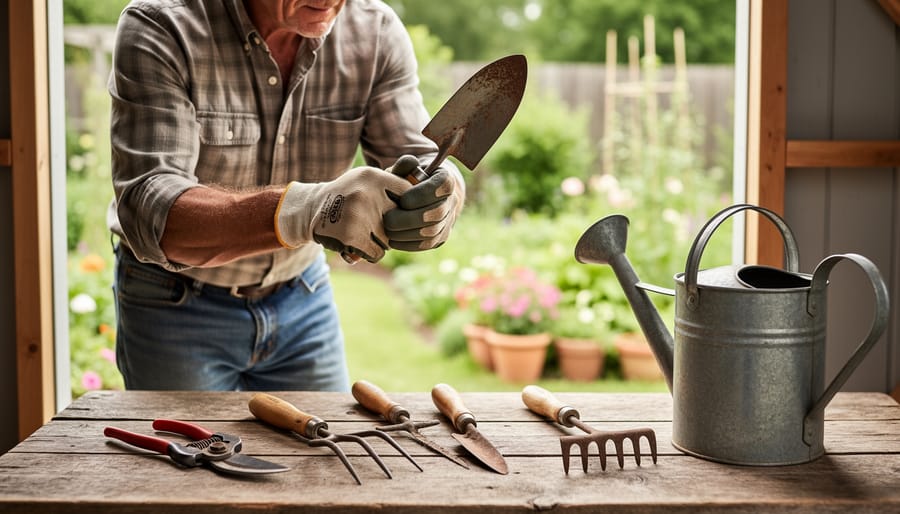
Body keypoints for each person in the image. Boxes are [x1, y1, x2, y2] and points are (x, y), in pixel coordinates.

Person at [107, 0, 465, 392]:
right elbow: (151, 208)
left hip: (302, 293)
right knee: (194, 451)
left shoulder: (375, 31)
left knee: (322, 449)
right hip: (174, 303)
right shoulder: (163, 25)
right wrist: (307, 209)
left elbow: (417, 155)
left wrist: (443, 190)